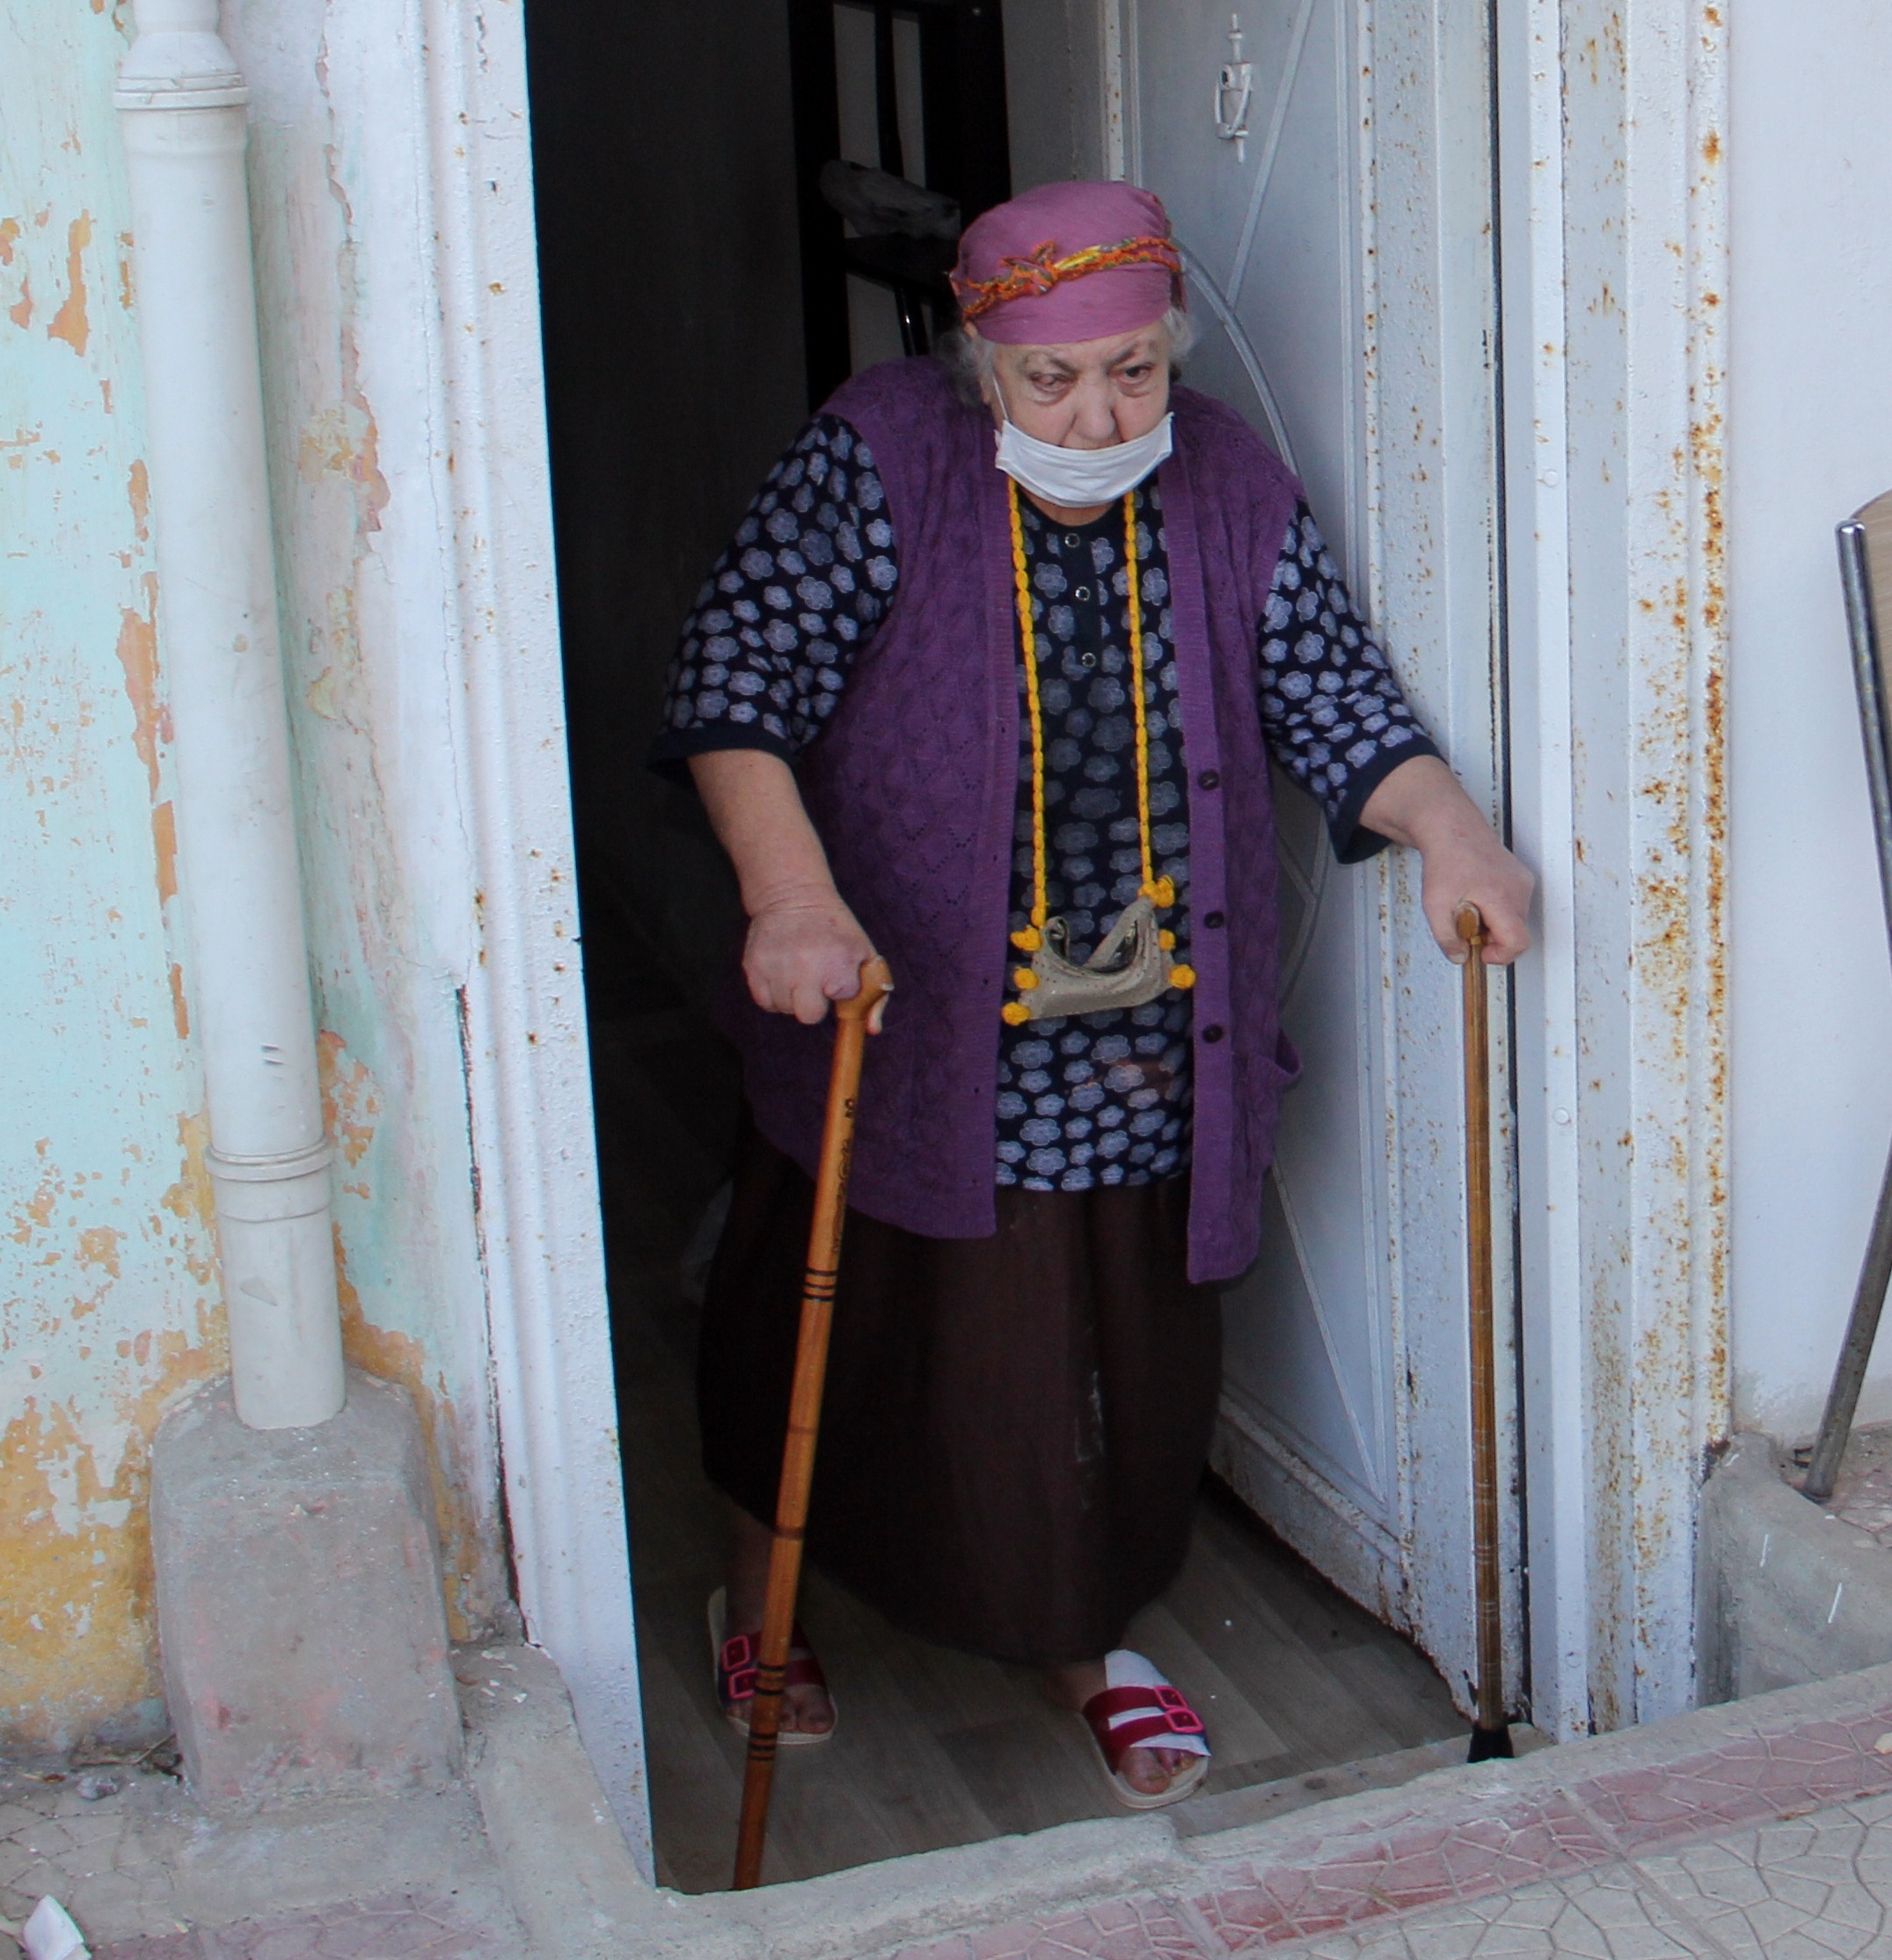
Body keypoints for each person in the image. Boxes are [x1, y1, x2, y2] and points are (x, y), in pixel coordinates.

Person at [654, 179, 1536, 1808]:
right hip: (898, 1009)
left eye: (1133, 370)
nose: (1098, 409)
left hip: (1138, 1029)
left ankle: (1081, 1638)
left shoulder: (1223, 478)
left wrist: (1453, 834)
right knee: (833, 1321)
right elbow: (736, 679)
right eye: (1051, 380)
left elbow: (1332, 692)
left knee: (1107, 1350)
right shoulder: (878, 457)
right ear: (977, 360)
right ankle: (765, 1603)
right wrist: (788, 896)